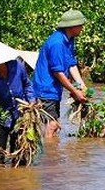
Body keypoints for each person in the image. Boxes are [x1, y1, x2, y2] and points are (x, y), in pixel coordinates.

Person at [32, 9, 89, 139]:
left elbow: (71, 64)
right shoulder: (57, 43)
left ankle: (51, 154)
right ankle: (50, 157)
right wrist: (74, 91)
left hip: (54, 89)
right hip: (45, 89)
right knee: (52, 124)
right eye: (80, 25)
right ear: (72, 26)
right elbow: (57, 72)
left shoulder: (69, 39)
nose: (82, 28)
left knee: (54, 125)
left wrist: (81, 85)